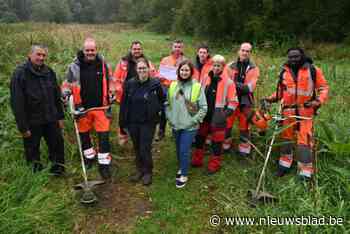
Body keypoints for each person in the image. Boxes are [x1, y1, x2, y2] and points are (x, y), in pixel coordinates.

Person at [263, 47, 328, 180]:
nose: (293, 59)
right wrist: (270, 98)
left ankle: (305, 172)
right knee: (286, 139)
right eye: (290, 57)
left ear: (302, 56)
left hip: (305, 112)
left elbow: (323, 88)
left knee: (304, 142)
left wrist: (318, 101)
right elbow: (281, 92)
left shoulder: (313, 70)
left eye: (296, 56)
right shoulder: (284, 72)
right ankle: (284, 164)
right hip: (287, 112)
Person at [62, 38, 113, 180]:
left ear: (96, 50)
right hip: (81, 108)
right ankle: (89, 159)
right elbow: (67, 83)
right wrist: (65, 93)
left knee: (104, 137)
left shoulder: (103, 64)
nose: (90, 52)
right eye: (87, 50)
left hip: (101, 107)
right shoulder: (74, 66)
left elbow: (111, 81)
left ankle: (104, 164)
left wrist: (113, 93)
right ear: (83, 51)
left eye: (92, 50)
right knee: (84, 136)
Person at [10, 44, 65, 175]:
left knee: (57, 144)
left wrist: (60, 116)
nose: (41, 58)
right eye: (38, 55)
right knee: (32, 149)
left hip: (51, 117)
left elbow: (56, 95)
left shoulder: (49, 72)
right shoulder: (20, 74)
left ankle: (58, 170)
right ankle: (36, 174)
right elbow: (17, 102)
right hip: (32, 120)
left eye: (43, 55)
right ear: (30, 55)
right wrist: (23, 127)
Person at [119, 58, 166, 186]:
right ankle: (139, 170)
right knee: (136, 147)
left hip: (148, 122)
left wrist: (158, 112)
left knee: (145, 147)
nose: (142, 70)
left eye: (144, 68)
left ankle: (148, 172)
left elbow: (163, 100)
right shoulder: (130, 84)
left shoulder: (155, 84)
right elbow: (124, 103)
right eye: (139, 68)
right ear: (136, 70)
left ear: (149, 69)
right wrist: (122, 123)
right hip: (133, 121)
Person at [191, 55, 238, 174]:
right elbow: (199, 94)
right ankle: (197, 160)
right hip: (204, 115)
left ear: (223, 67)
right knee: (200, 138)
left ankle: (214, 165)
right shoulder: (206, 77)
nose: (216, 68)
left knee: (217, 142)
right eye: (214, 65)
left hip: (218, 117)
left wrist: (225, 114)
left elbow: (233, 101)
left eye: (219, 65)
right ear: (211, 65)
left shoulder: (229, 82)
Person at [166, 60, 207, 188]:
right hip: (175, 125)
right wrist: (170, 118)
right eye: (182, 70)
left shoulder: (197, 87)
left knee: (184, 150)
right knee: (178, 149)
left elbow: (204, 108)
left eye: (187, 70)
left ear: (191, 72)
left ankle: (184, 174)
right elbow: (167, 104)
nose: (184, 72)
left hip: (190, 127)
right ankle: (182, 166)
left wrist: (193, 121)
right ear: (178, 71)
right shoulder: (173, 85)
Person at [112, 41, 159, 145]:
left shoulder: (148, 62)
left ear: (141, 50)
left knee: (145, 118)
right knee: (125, 116)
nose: (137, 51)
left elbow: (155, 77)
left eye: (139, 49)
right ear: (131, 49)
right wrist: (121, 92)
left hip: (144, 97)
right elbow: (116, 79)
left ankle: (145, 137)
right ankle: (123, 139)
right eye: (134, 49)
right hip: (127, 95)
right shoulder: (123, 62)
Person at [225, 42, 260, 157]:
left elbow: (250, 88)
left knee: (244, 126)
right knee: (227, 124)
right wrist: (238, 86)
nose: (245, 53)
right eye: (243, 50)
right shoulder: (230, 66)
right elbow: (225, 83)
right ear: (239, 51)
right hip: (231, 100)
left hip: (245, 102)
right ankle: (225, 146)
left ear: (250, 53)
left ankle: (244, 149)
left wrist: (233, 84)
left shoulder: (254, 69)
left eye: (247, 51)